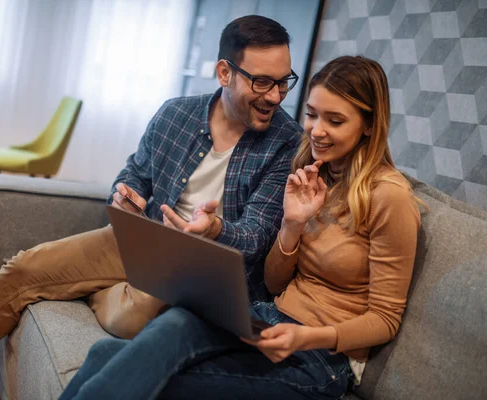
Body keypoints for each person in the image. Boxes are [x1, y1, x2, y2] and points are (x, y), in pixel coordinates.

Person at [0, 15, 303, 399]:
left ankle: (100, 287)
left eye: (284, 82)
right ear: (225, 72)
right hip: (144, 239)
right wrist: (125, 196)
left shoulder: (287, 141)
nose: (276, 96)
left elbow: (257, 233)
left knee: (133, 318)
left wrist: (213, 231)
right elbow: (134, 174)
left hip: (205, 268)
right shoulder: (176, 114)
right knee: (24, 268)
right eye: (263, 82)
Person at [58, 55, 424, 400]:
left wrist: (308, 336)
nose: (316, 131)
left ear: (370, 125)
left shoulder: (389, 197)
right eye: (312, 114)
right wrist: (292, 225)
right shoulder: (312, 175)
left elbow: (386, 319)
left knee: (150, 376)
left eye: (336, 121)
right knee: (111, 348)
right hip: (266, 319)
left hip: (320, 358)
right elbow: (275, 284)